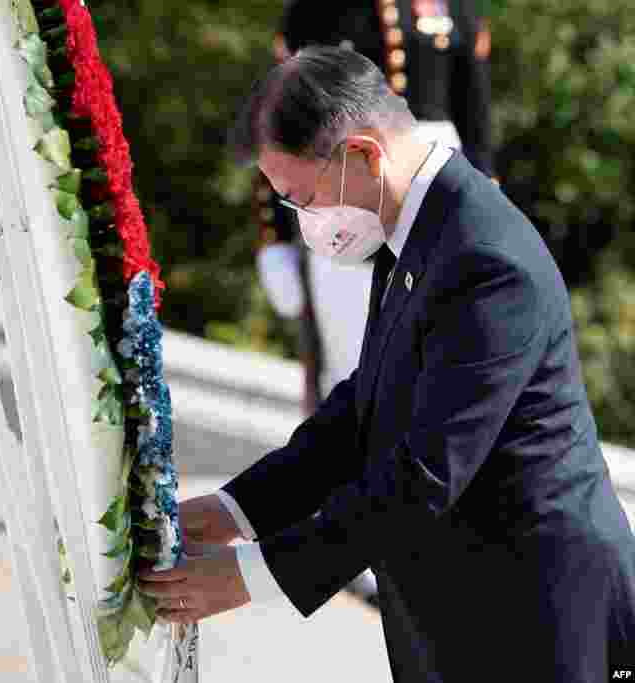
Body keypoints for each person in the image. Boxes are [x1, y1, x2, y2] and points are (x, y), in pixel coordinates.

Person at [140, 47, 635, 681]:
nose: (307, 223)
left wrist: (251, 578)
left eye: (306, 197)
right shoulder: (411, 229)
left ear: (365, 155)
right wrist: (234, 512)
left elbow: (425, 474)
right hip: (462, 616)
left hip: (537, 615)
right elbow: (363, 410)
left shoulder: (484, 259)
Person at [255, 0, 497, 605]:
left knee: (433, 369)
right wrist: (276, 235)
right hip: (343, 198)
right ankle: (349, 542)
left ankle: (428, 530)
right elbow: (286, 124)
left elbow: (477, 112)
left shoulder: (454, 8)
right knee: (355, 376)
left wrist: (490, 215)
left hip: (435, 181)